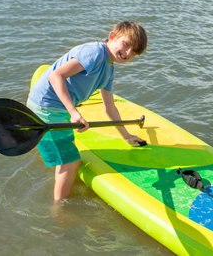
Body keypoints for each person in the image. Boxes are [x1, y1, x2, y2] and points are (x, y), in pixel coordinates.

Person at [27, 21, 147, 202]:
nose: (128, 53)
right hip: (46, 108)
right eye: (126, 44)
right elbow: (55, 75)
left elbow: (110, 107)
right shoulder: (95, 53)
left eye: (134, 52)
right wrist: (74, 113)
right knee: (71, 161)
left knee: (67, 158)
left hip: (56, 108)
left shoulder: (109, 70)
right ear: (112, 36)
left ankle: (62, 190)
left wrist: (126, 136)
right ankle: (60, 210)